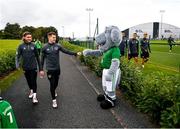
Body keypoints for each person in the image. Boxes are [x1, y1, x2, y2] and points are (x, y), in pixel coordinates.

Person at [40, 32, 81, 109]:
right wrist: (41, 69)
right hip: (50, 69)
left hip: (57, 69)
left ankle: (54, 90)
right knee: (52, 84)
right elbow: (42, 59)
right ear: (49, 37)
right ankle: (54, 100)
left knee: (56, 83)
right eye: (53, 37)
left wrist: (75, 53)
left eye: (55, 37)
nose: (54, 39)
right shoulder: (44, 47)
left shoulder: (58, 45)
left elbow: (66, 51)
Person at [16, 32, 42, 104]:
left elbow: (37, 57)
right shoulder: (21, 46)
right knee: (29, 81)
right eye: (28, 37)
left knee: (33, 81)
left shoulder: (34, 45)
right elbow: (17, 56)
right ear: (24, 37)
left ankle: (34, 97)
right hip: (25, 67)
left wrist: (40, 68)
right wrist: (17, 65)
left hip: (33, 67)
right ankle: (31, 91)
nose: (29, 38)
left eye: (30, 37)